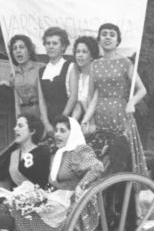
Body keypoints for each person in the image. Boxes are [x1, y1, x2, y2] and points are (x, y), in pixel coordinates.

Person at [12, 116, 103, 231]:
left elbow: (97, 167)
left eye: (63, 130)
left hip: (78, 202)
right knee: (37, 226)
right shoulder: (60, 154)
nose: (58, 135)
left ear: (72, 132)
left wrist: (82, 186)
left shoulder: (79, 150)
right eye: (57, 131)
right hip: (60, 200)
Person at [87, 23, 147, 175]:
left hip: (121, 117)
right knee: (99, 164)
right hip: (101, 119)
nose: (108, 37)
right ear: (99, 39)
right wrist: (91, 121)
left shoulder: (125, 62)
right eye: (104, 34)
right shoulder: (94, 64)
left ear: (118, 41)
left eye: (112, 34)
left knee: (119, 161)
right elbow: (91, 96)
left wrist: (131, 102)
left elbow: (142, 90)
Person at [0, 114, 51, 190]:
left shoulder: (43, 153)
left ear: (32, 131)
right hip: (14, 199)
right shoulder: (13, 155)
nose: (15, 128)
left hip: (39, 198)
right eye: (16, 126)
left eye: (20, 126)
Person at [38, 27, 77, 131]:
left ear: (63, 46)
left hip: (67, 119)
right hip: (49, 124)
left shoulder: (70, 66)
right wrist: (46, 123)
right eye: (48, 43)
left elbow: (73, 97)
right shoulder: (41, 71)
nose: (51, 46)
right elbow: (41, 100)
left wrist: (61, 120)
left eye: (55, 43)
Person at [8, 34, 45, 121]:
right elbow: (16, 103)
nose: (18, 51)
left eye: (21, 47)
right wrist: (18, 120)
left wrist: (44, 118)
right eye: (15, 48)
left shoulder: (41, 68)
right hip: (24, 113)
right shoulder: (14, 73)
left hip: (40, 111)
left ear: (29, 50)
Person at [70, 36, 101, 135]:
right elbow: (78, 105)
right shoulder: (77, 76)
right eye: (78, 52)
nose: (80, 55)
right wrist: (71, 125)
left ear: (92, 56)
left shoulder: (97, 75)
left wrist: (87, 123)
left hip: (96, 122)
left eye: (84, 52)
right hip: (83, 123)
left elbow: (94, 103)